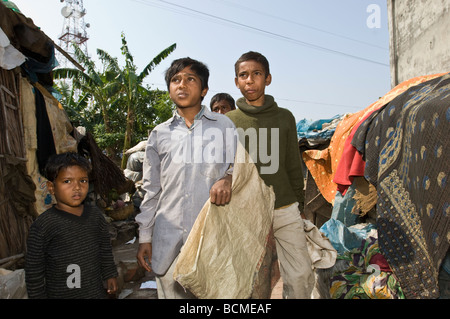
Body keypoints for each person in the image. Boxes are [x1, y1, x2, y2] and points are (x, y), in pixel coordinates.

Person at [136, 57, 236, 299]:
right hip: (168, 238)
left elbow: (242, 167)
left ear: (203, 90)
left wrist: (229, 178)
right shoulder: (159, 134)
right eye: (175, 80)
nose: (182, 85)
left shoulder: (224, 126)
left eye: (190, 79)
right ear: (169, 88)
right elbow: (151, 189)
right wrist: (145, 237)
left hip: (212, 237)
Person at [226, 51, 314, 299]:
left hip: (284, 206)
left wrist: (300, 204)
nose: (250, 80)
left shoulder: (284, 117)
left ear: (268, 78)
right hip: (245, 210)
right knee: (251, 278)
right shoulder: (228, 122)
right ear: (236, 82)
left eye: (256, 74)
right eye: (243, 75)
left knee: (300, 273)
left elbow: (293, 165)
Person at [25, 152, 118, 299]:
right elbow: (34, 272)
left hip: (95, 292)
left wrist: (110, 274)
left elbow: (105, 249)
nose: (77, 187)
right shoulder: (43, 225)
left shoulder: (95, 216)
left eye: (83, 181)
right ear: (51, 187)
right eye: (67, 181)